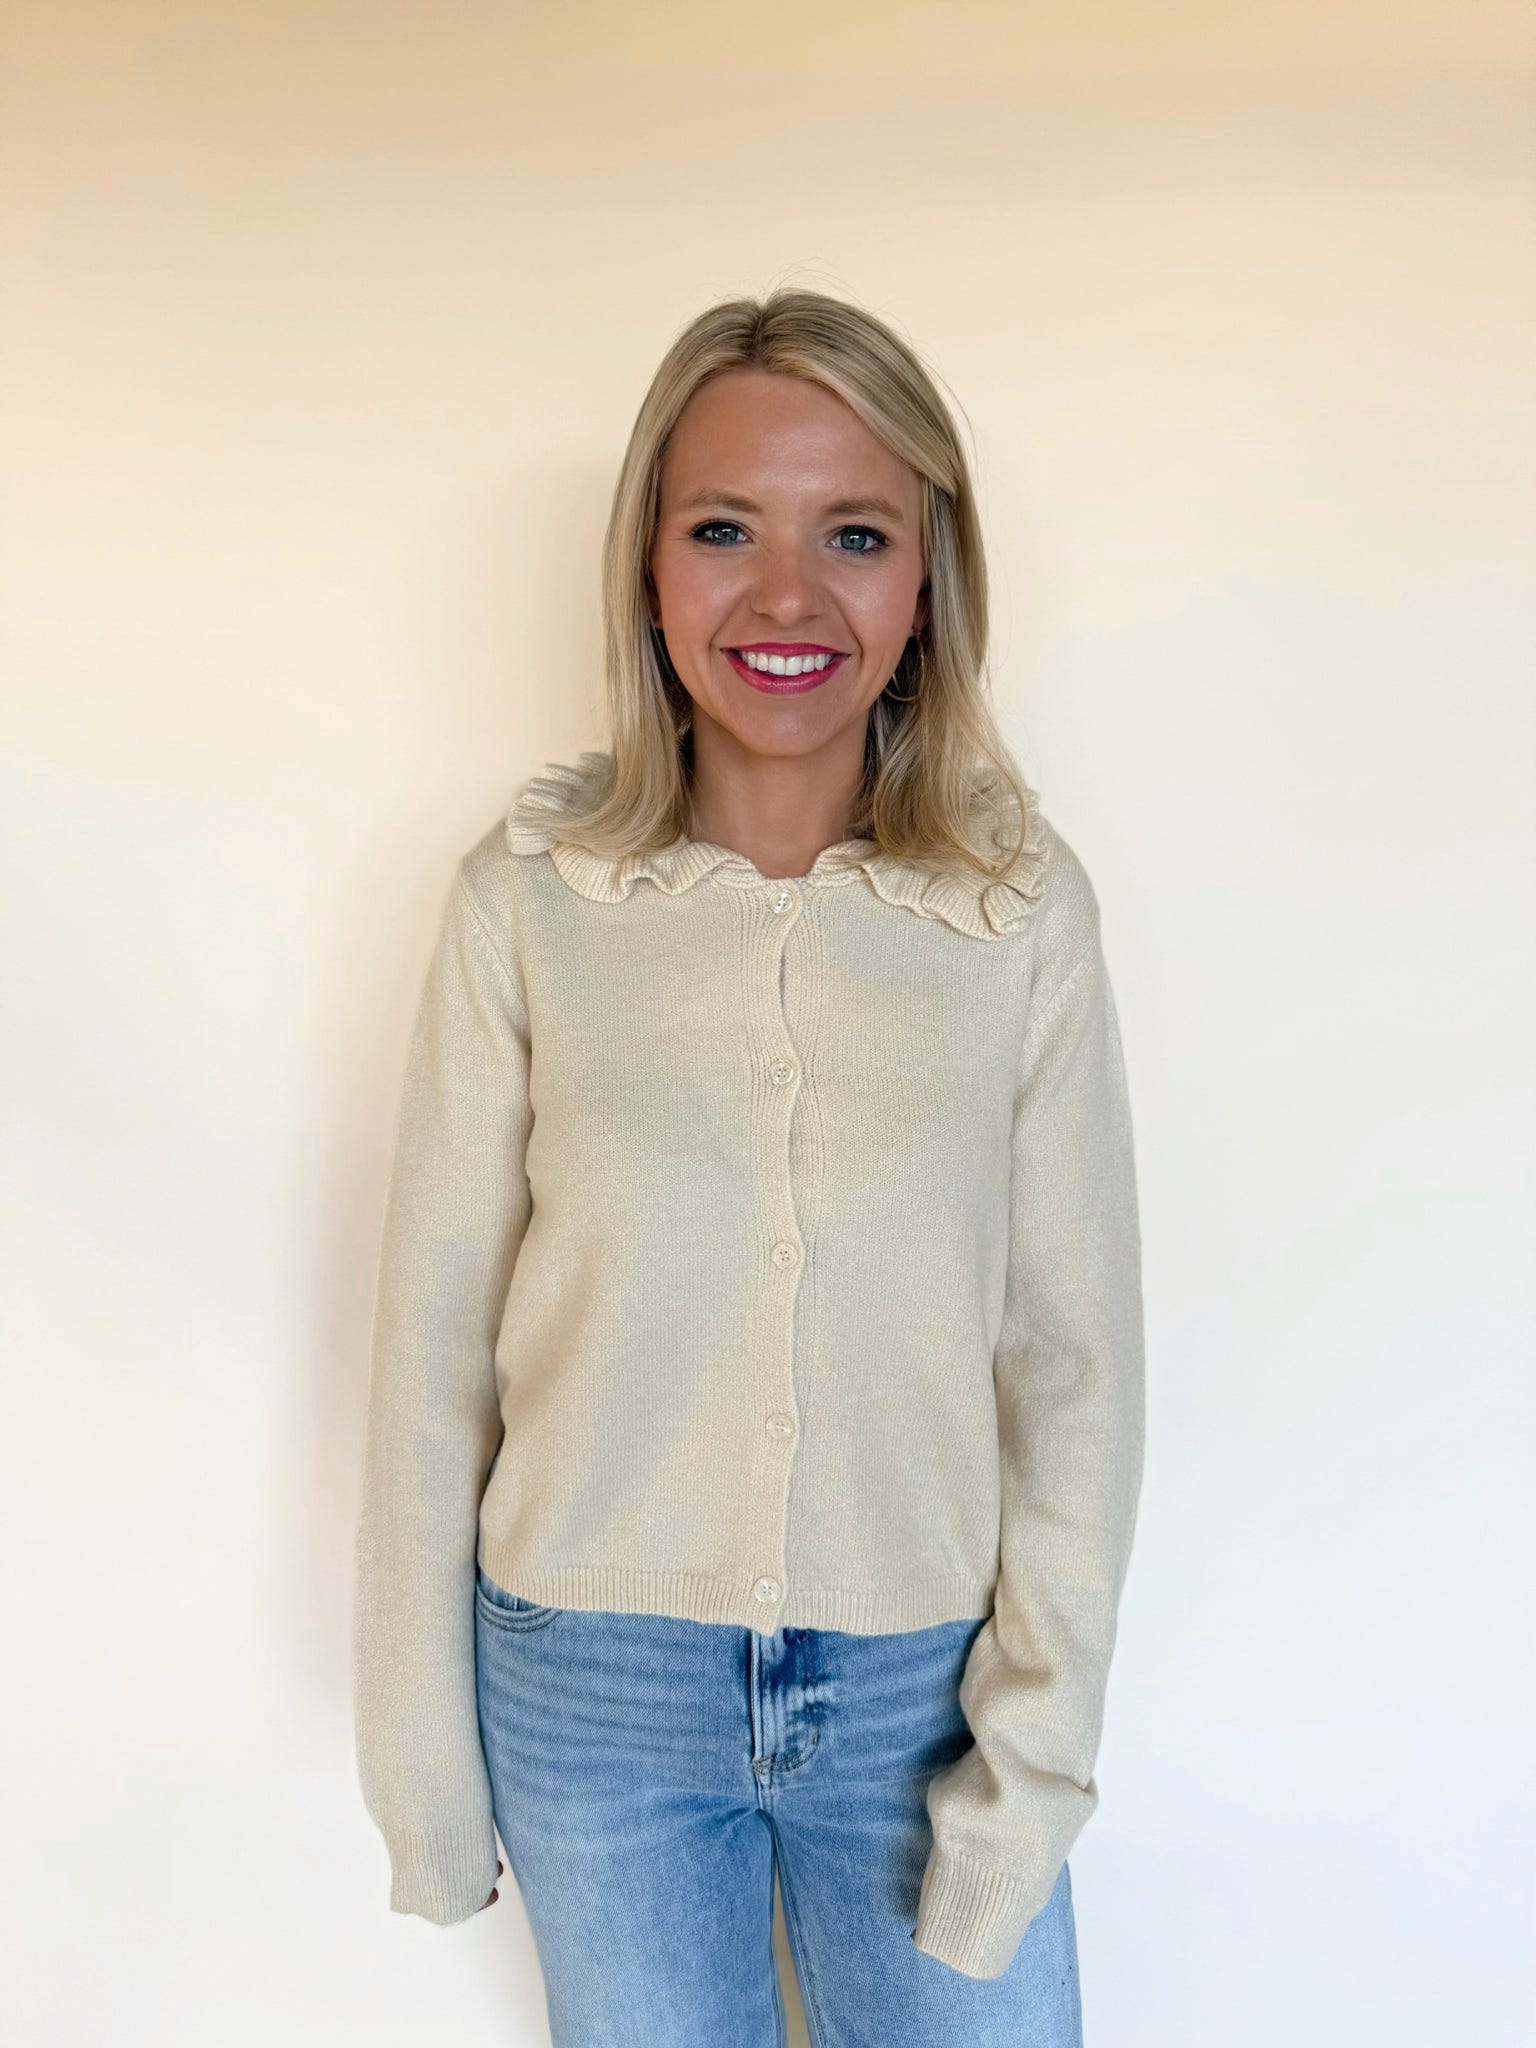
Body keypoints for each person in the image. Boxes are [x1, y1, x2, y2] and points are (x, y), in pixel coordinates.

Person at [351, 288, 1146, 2047]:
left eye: (853, 535)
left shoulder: (1015, 916)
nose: (786, 599)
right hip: (591, 1691)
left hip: (921, 1699)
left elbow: (1074, 1378)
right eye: (724, 530)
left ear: (927, 577)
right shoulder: (530, 905)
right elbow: (428, 1362)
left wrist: (1027, 1772)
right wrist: (423, 1772)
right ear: (647, 567)